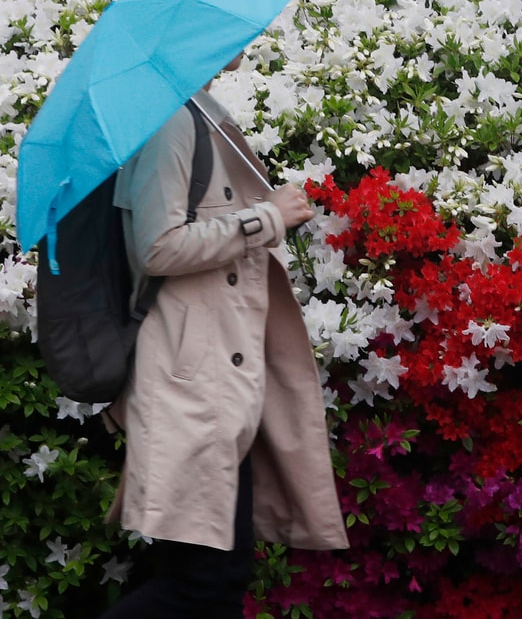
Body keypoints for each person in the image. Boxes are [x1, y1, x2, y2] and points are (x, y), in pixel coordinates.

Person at [98, 58, 348, 618]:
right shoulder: (170, 121)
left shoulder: (197, 113)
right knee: (203, 583)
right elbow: (157, 247)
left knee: (211, 578)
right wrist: (266, 218)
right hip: (193, 382)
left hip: (215, 379)